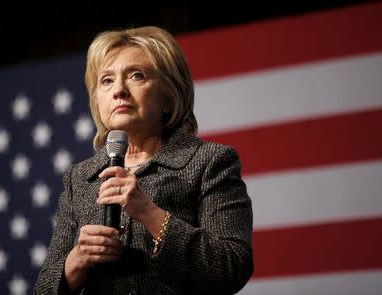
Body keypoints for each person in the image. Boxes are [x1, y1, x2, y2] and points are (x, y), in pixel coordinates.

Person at [34, 25, 253, 295]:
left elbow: (231, 268)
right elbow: (43, 290)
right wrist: (77, 260)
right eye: (106, 80)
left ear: (169, 98)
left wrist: (150, 214)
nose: (119, 91)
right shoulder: (79, 178)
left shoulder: (210, 162)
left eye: (136, 75)